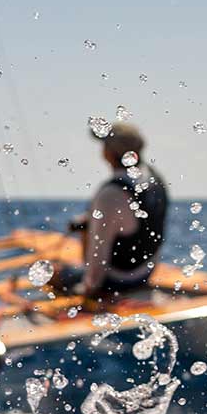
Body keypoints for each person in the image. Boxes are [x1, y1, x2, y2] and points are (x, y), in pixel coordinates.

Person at [55, 122, 169, 299]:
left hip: (119, 279)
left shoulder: (111, 194)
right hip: (146, 272)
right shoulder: (156, 180)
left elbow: (98, 256)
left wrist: (86, 289)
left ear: (108, 153)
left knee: (53, 273)